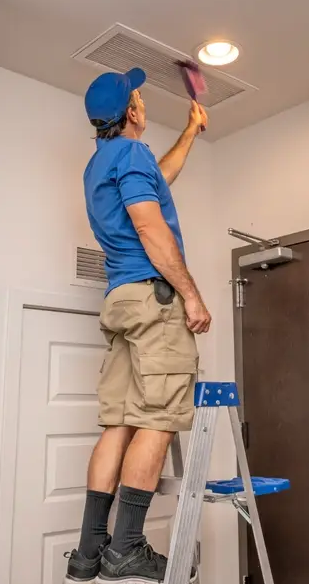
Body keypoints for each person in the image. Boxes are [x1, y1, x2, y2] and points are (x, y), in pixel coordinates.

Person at [65, 67, 211, 584]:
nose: (144, 106)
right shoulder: (130, 156)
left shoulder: (104, 162)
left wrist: (190, 132)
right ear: (131, 113)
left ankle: (89, 551)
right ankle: (126, 546)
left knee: (119, 422)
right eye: (141, 100)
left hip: (121, 300)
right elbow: (148, 223)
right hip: (154, 299)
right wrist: (191, 294)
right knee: (157, 416)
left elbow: (158, 177)